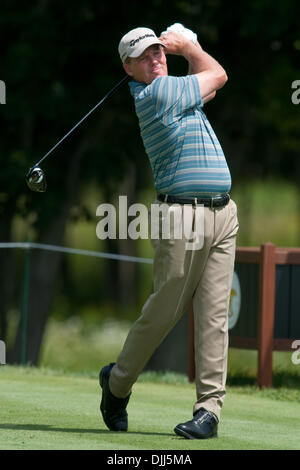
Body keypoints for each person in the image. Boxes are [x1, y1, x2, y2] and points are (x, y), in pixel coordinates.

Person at [99, 25, 239, 439]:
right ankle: (117, 382)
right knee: (165, 309)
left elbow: (209, 84)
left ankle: (209, 411)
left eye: (159, 51)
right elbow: (219, 75)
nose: (156, 59)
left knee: (215, 316)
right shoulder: (158, 94)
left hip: (223, 215)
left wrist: (186, 53)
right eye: (145, 56)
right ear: (129, 69)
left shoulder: (176, 91)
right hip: (181, 217)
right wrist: (189, 46)